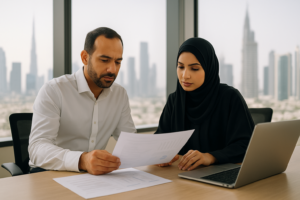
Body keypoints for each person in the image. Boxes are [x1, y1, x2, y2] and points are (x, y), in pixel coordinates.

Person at [28, 27, 136, 175]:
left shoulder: (120, 94)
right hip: (50, 174)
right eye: (104, 60)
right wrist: (82, 160)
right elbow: (37, 148)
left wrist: (157, 155)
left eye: (118, 62)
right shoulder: (54, 90)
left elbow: (131, 142)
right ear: (85, 57)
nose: (112, 69)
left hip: (93, 178)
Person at [155, 38, 254, 171]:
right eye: (181, 67)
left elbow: (246, 145)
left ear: (209, 69)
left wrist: (211, 157)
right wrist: (161, 154)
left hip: (220, 175)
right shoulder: (175, 100)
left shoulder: (230, 97)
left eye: (194, 68)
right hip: (181, 177)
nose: (185, 76)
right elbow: (160, 139)